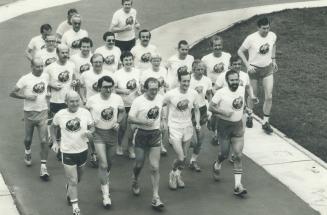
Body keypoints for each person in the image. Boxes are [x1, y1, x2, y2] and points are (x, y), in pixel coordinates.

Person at [209, 69, 258, 197]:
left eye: (236, 79)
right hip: (224, 127)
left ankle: (237, 186)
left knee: (238, 155)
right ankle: (217, 163)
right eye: (232, 80)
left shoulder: (241, 89)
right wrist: (223, 112)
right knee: (224, 154)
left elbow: (240, 103)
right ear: (227, 81)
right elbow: (211, 107)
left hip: (237, 126)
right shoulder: (221, 93)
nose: (235, 82)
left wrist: (247, 109)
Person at [51, 91, 94, 215]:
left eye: (77, 101)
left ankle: (68, 187)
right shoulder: (60, 114)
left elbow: (92, 127)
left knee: (78, 178)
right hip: (67, 151)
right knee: (74, 181)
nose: (75, 103)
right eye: (72, 101)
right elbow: (52, 127)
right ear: (66, 102)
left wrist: (90, 133)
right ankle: (75, 207)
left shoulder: (85, 113)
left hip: (82, 151)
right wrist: (55, 142)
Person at [86, 76, 125, 208]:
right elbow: (84, 113)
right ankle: (106, 196)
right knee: (102, 164)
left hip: (112, 134)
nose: (108, 89)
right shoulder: (92, 100)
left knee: (109, 163)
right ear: (99, 87)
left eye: (110, 87)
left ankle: (105, 178)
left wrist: (118, 122)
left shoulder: (117, 98)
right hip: (98, 134)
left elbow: (122, 112)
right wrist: (91, 122)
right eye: (105, 87)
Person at [10, 57, 50, 181]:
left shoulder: (45, 76)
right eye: (37, 66)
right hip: (29, 113)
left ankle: (43, 166)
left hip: (43, 112)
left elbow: (47, 87)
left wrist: (49, 94)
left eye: (41, 66)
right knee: (28, 139)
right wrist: (26, 96)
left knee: (44, 141)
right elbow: (13, 93)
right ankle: (27, 152)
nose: (40, 68)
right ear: (32, 66)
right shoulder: (25, 79)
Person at [128, 77, 165, 209]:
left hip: (155, 134)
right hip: (141, 134)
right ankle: (135, 179)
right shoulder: (138, 101)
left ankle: (155, 197)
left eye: (156, 89)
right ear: (145, 88)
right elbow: (130, 118)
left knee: (155, 166)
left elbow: (163, 108)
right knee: (139, 163)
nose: (154, 92)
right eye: (151, 89)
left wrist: (163, 120)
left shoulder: (161, 98)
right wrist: (143, 122)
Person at [238, 17, 277, 134]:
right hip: (254, 70)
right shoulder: (251, 38)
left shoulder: (272, 35)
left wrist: (274, 59)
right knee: (252, 95)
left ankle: (265, 122)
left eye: (268, 28)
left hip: (267, 68)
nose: (266, 30)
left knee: (269, 96)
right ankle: (250, 115)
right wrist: (247, 65)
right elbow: (240, 51)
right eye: (264, 28)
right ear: (258, 28)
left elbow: (274, 44)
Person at [215, 56, 257, 162]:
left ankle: (235, 154)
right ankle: (224, 148)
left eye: (239, 64)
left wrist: (252, 96)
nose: (237, 66)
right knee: (227, 138)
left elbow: (248, 87)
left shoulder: (244, 75)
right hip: (226, 111)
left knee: (241, 131)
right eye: (235, 64)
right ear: (230, 65)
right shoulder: (223, 76)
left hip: (240, 108)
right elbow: (215, 89)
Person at [163, 69, 200, 190]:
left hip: (188, 127)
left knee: (184, 157)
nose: (186, 83)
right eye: (184, 81)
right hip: (174, 127)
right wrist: (162, 120)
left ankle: (177, 175)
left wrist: (198, 123)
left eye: (188, 81)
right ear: (179, 81)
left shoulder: (193, 93)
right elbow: (159, 105)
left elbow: (196, 109)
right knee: (180, 157)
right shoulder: (171, 94)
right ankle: (172, 175)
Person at [79, 53, 116, 167]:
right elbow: (80, 86)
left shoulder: (109, 74)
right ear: (92, 63)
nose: (98, 64)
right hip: (92, 106)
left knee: (105, 128)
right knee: (92, 130)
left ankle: (104, 149)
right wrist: (83, 98)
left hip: (106, 106)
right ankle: (94, 152)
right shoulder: (85, 74)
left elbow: (112, 88)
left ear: (103, 62)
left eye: (100, 62)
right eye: (96, 62)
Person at [46, 44, 76, 160]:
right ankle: (55, 142)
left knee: (66, 124)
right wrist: (52, 84)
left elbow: (74, 79)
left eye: (66, 52)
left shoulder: (71, 65)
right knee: (57, 125)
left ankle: (62, 149)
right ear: (57, 54)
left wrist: (75, 83)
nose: (65, 55)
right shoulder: (50, 67)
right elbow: (43, 80)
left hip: (68, 100)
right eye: (62, 53)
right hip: (56, 100)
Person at [202, 35, 231, 145]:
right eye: (215, 45)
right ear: (211, 47)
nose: (217, 47)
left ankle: (217, 135)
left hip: (224, 87)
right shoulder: (206, 59)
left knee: (222, 111)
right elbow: (201, 73)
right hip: (212, 88)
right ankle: (214, 128)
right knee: (215, 113)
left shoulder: (227, 56)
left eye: (219, 45)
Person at [140, 53, 168, 155]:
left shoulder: (164, 70)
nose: (156, 62)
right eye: (154, 60)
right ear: (150, 61)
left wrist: (165, 85)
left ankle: (160, 144)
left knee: (163, 124)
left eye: (158, 60)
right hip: (149, 100)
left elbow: (166, 84)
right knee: (150, 121)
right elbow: (142, 88)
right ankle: (146, 141)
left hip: (161, 99)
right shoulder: (146, 73)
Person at [115, 51, 141, 158]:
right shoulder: (117, 73)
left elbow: (142, 86)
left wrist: (140, 91)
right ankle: (119, 145)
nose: (128, 62)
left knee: (132, 128)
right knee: (122, 127)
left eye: (130, 59)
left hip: (134, 104)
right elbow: (113, 89)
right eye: (126, 60)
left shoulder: (138, 72)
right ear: (122, 61)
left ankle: (130, 147)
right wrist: (122, 91)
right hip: (122, 104)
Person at [189, 60, 212, 172]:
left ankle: (193, 160)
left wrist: (211, 107)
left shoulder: (207, 80)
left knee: (200, 139)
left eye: (202, 69)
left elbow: (208, 93)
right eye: (198, 69)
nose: (200, 71)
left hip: (202, 109)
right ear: (193, 69)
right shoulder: (189, 80)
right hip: (190, 110)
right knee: (193, 141)